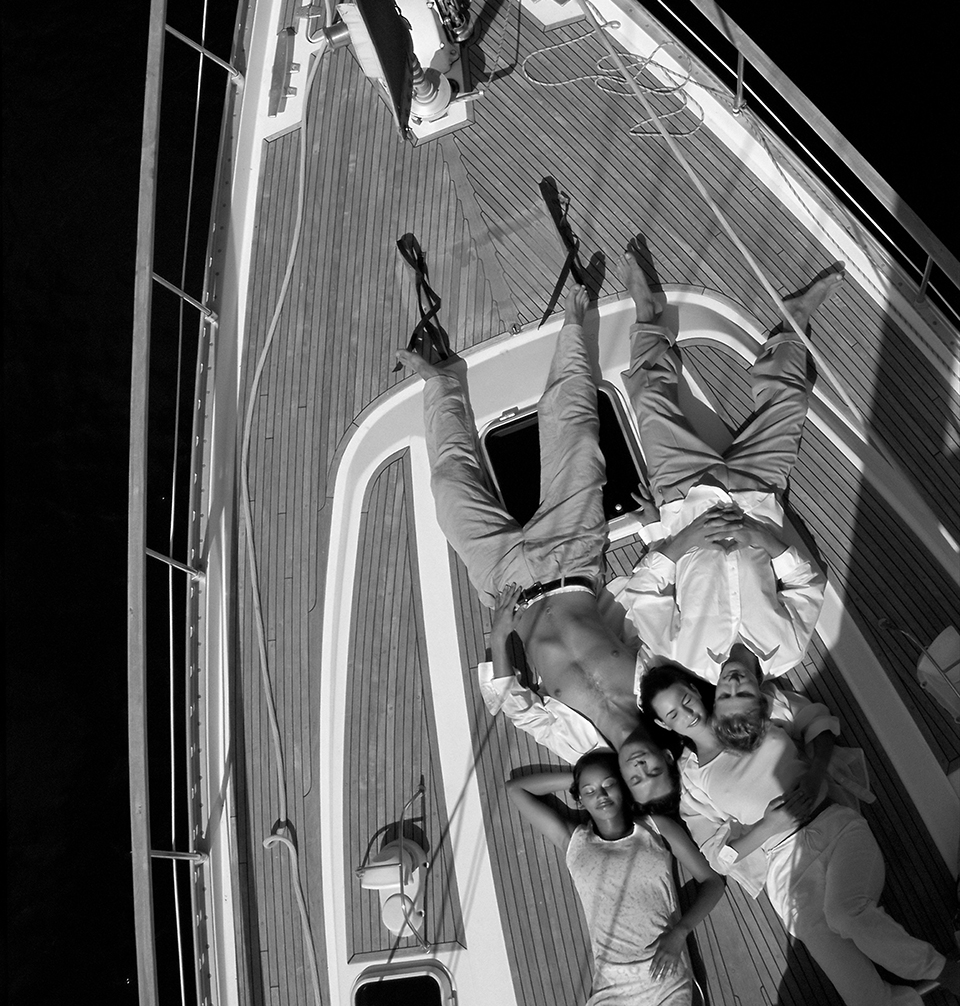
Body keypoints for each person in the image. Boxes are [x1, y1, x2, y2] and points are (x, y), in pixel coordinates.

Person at [398, 285, 671, 803]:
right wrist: (655, 528)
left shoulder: (579, 748)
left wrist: (500, 637)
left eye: (636, 780)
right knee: (574, 431)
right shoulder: (656, 688)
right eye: (654, 770)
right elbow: (660, 605)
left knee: (450, 488)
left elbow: (515, 704)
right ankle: (573, 324)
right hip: (572, 557)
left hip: (507, 588)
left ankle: (442, 384)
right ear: (665, 756)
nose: (641, 768)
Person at [636, 665, 960, 1006]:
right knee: (866, 999)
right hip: (785, 868)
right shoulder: (692, 782)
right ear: (663, 724)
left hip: (835, 826)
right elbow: (719, 856)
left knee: (845, 913)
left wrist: (815, 774)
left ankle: (944, 971)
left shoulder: (748, 704)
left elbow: (816, 721)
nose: (687, 713)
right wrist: (768, 827)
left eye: (686, 699)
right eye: (673, 713)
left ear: (692, 687)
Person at [610, 246, 833, 690]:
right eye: (743, 693)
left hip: (683, 498)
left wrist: (676, 538)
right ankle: (794, 320)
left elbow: (641, 596)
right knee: (790, 403)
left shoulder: (681, 659)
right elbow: (808, 584)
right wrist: (762, 539)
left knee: (650, 403)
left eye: (725, 695)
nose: (732, 685)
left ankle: (648, 314)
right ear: (761, 696)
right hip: (757, 495)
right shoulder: (786, 651)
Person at [505, 750, 725, 1005]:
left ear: (623, 785)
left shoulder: (656, 828)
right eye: (589, 791)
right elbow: (516, 790)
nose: (601, 795)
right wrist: (578, 780)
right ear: (579, 800)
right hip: (610, 984)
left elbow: (713, 883)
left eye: (609, 784)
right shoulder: (574, 841)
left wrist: (680, 933)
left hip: (664, 973)